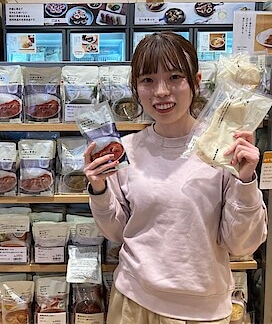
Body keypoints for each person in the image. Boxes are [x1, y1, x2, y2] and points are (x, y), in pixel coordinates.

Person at [83, 32, 267, 323]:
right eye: (148, 80)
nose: (161, 91)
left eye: (175, 77)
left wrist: (245, 182)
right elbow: (116, 232)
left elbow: (242, 245)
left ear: (196, 82)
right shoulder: (127, 149)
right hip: (132, 302)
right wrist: (99, 189)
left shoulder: (222, 149)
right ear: (135, 88)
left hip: (204, 310)